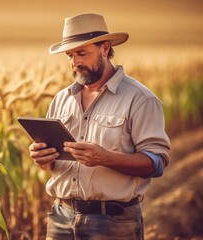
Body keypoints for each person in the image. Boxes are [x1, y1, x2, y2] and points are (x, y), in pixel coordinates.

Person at [28, 13, 170, 240]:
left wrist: (105, 158)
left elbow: (157, 163)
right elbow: (53, 166)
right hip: (60, 219)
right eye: (70, 55)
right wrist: (43, 158)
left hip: (113, 223)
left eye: (82, 53)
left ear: (105, 48)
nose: (75, 62)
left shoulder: (140, 99)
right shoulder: (60, 99)